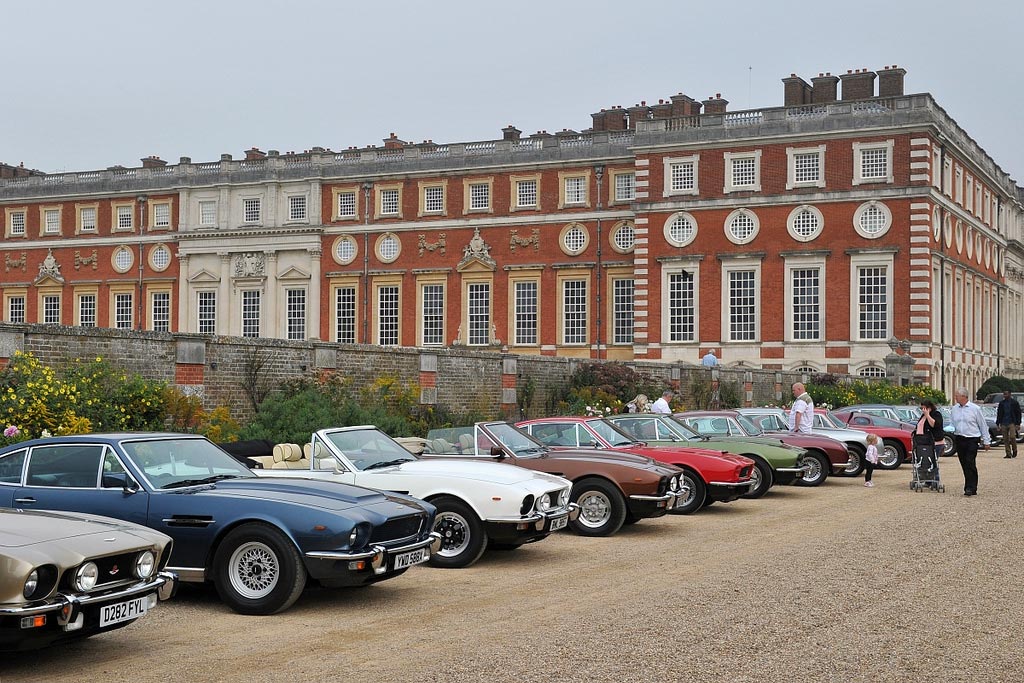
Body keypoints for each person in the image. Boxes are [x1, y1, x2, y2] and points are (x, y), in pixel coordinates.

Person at [950, 388, 990, 496]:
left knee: (970, 461)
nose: (955, 397)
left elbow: (982, 425)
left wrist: (986, 440)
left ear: (964, 396)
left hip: (972, 439)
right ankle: (968, 485)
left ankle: (971, 487)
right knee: (964, 463)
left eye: (957, 396)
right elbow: (952, 423)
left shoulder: (975, 409)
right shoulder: (954, 409)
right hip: (960, 438)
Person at [918, 399, 945, 467]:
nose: (922, 410)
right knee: (925, 464)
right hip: (924, 442)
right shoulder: (922, 416)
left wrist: (927, 415)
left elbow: (934, 425)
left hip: (935, 443)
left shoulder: (936, 414)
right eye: (921, 408)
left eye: (924, 408)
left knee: (932, 463)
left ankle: (935, 477)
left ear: (929, 408)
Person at [995, 389, 1021, 458]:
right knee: (1005, 439)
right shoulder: (1002, 403)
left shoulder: (1014, 403)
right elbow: (999, 414)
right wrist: (998, 423)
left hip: (1012, 422)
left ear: (1010, 394)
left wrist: (1018, 423)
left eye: (1006, 394)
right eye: (1004, 394)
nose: (1005, 395)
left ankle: (1014, 450)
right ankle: (1008, 453)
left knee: (1012, 437)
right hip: (1004, 422)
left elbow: (1018, 413)